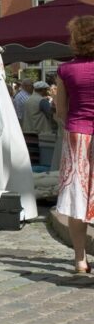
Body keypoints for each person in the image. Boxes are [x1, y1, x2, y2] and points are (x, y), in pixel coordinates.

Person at [53, 15, 94, 274]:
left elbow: (60, 109)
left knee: (77, 197)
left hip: (77, 134)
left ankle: (80, 259)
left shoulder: (65, 70)